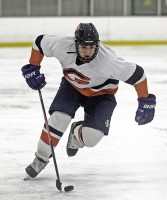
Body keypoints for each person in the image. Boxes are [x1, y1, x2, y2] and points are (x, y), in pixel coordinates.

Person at [21, 23, 156, 178]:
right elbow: (39, 42)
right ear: (76, 43)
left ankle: (76, 132)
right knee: (59, 118)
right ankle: (41, 158)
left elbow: (138, 75)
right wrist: (33, 66)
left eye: (91, 47)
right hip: (72, 86)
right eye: (84, 47)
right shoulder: (62, 44)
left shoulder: (108, 60)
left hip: (102, 95)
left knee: (91, 138)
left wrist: (145, 101)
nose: (88, 52)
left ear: (97, 45)